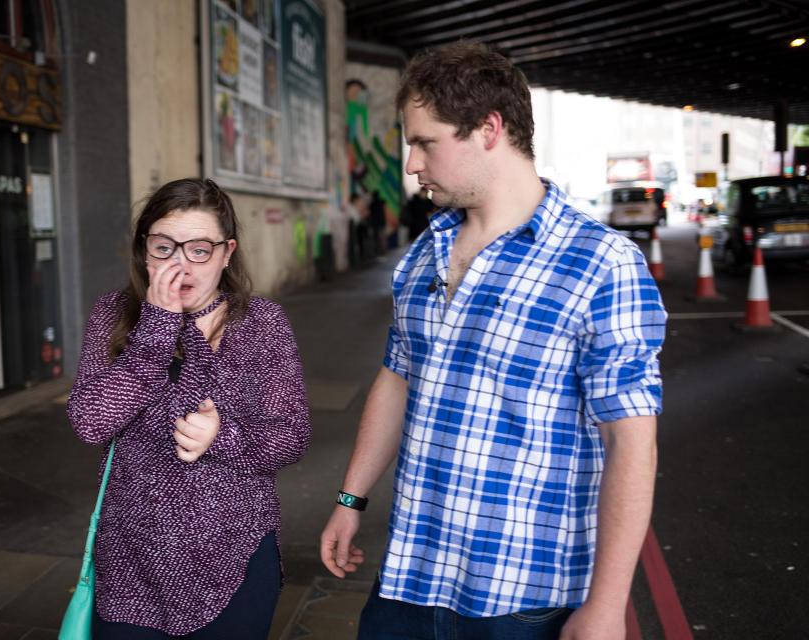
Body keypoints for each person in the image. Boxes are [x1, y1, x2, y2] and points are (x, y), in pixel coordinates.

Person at [319, 41, 666, 640]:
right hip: (409, 577)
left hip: (523, 602)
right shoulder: (424, 252)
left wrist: (607, 606)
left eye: (425, 142)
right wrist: (350, 500)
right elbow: (397, 378)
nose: (410, 164)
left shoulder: (603, 263)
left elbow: (631, 443)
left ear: (488, 129)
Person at [68, 177, 311, 639]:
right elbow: (90, 420)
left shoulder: (262, 323)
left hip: (234, 556)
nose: (180, 264)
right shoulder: (114, 315)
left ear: (227, 252)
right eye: (164, 247)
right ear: (144, 249)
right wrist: (156, 330)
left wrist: (222, 437)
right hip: (129, 560)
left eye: (199, 249)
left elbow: (290, 436)